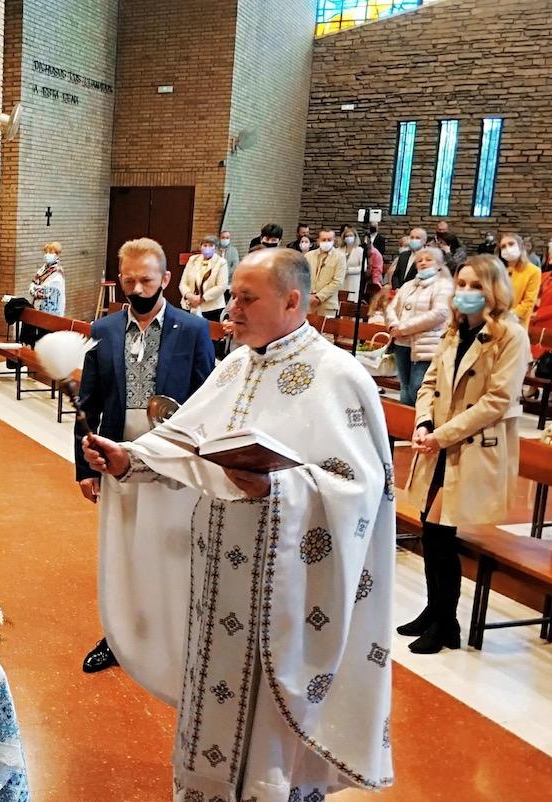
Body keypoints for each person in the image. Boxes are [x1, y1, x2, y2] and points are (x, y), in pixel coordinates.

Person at [82, 247, 395, 800]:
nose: (232, 310)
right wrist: (131, 459)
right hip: (218, 582)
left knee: (266, 724)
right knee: (212, 707)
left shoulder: (339, 377)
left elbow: (362, 492)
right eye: (232, 297)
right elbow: (185, 439)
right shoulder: (237, 364)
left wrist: (279, 486)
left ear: (292, 300)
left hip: (285, 593)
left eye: (247, 298)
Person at [74, 237, 215, 674]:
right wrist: (85, 466)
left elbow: (209, 399)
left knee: (170, 545)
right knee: (121, 546)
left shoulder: (191, 330)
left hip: (171, 458)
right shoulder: (104, 330)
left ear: (166, 279)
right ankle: (118, 634)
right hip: (117, 453)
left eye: (147, 280)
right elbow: (88, 401)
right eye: (129, 280)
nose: (137, 289)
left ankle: (173, 630)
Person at [402, 255, 531, 654]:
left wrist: (441, 434)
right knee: (430, 528)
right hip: (439, 441)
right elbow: (430, 383)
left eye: (476, 286)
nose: (466, 293)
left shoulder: (510, 334)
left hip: (471, 445)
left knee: (442, 535)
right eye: (461, 283)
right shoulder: (455, 331)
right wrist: (423, 422)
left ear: (493, 290)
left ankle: (447, 624)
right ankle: (433, 611)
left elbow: (497, 401)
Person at [385, 246, 453, 405]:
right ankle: (404, 424)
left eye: (429, 260)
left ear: (439, 264)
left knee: (418, 386)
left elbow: (439, 314)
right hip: (401, 342)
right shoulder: (408, 285)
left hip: (426, 344)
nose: (423, 263)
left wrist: (402, 328)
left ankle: (419, 422)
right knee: (404, 386)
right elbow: (391, 307)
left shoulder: (443, 285)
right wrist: (393, 325)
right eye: (420, 260)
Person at [178, 235, 228, 321]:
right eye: (205, 245)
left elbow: (221, 286)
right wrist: (190, 296)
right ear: (201, 247)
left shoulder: (221, 262)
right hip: (190, 304)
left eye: (211, 246)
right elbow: (183, 283)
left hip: (211, 308)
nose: (207, 248)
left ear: (215, 248)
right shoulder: (193, 260)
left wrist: (201, 299)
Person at [499, 232, 542, 328]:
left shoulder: (533, 271)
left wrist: (509, 316)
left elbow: (529, 302)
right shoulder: (499, 269)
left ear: (520, 246)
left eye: (511, 244)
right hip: (495, 320)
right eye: (503, 246)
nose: (507, 248)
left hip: (516, 322)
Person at [306, 228, 346, 316]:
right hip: (308, 302)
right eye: (324, 240)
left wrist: (319, 297)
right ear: (318, 241)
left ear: (334, 241)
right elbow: (303, 277)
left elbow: (338, 281)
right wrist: (308, 295)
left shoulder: (340, 257)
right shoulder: (309, 256)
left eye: (329, 240)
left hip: (328, 304)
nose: (326, 242)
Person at [531, 243, 552, 333]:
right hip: (534, 324)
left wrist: (538, 314)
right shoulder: (544, 275)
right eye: (550, 259)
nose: (550, 262)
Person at [28, 241, 67, 315]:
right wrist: (34, 289)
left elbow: (45, 292)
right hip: (38, 309)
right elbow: (32, 284)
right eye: (46, 252)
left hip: (50, 312)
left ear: (57, 255)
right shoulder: (43, 269)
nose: (47, 255)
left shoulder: (57, 272)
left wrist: (34, 289)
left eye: (51, 253)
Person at [339, 225, 366, 297]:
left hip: (354, 280)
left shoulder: (360, 250)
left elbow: (363, 267)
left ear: (355, 237)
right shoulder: (339, 250)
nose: (348, 238)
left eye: (351, 235)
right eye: (346, 236)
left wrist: (349, 270)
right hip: (341, 279)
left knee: (352, 299)